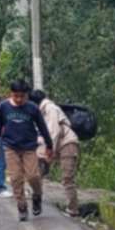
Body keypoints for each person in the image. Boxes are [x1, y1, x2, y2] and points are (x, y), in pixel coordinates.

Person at [0, 80, 53, 222]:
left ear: (27, 96)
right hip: (10, 147)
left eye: (22, 96)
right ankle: (22, 206)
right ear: (10, 94)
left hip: (29, 147)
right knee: (16, 178)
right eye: (16, 96)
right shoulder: (3, 107)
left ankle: (37, 196)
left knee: (33, 176)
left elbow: (43, 127)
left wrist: (49, 145)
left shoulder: (32, 108)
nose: (18, 99)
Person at [30, 89, 80, 217]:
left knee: (67, 177)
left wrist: (48, 151)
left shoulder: (50, 108)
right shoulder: (40, 112)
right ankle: (37, 198)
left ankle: (73, 209)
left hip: (67, 143)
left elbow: (54, 132)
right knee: (38, 172)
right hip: (53, 145)